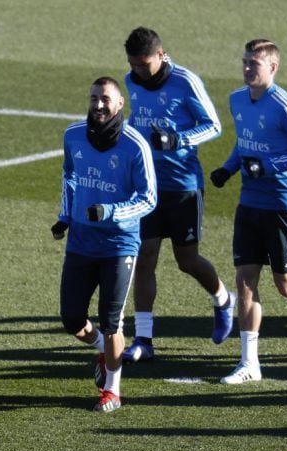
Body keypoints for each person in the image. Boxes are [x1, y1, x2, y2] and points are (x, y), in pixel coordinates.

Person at [121, 27, 234, 363]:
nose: (138, 71)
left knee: (187, 261)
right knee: (145, 257)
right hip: (147, 186)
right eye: (133, 65)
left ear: (161, 54)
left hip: (183, 185)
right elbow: (137, 120)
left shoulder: (185, 81)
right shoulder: (131, 81)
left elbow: (213, 125)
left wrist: (178, 139)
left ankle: (223, 298)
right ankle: (143, 339)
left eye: (144, 64)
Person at [208, 39, 287, 384]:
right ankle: (249, 363)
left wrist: (267, 167)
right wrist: (229, 168)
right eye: (245, 62)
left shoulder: (284, 104)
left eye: (254, 63)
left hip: (283, 207)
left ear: (273, 67)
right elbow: (244, 141)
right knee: (245, 281)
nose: (247, 68)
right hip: (249, 205)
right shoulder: (238, 99)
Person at [53, 77, 157, 413]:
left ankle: (112, 390)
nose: (99, 105)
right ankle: (102, 348)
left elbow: (149, 199)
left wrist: (110, 212)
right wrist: (65, 217)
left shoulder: (134, 145)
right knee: (71, 318)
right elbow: (69, 175)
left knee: (112, 321)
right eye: (94, 98)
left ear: (120, 104)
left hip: (119, 245)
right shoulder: (73, 135)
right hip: (81, 242)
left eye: (106, 99)